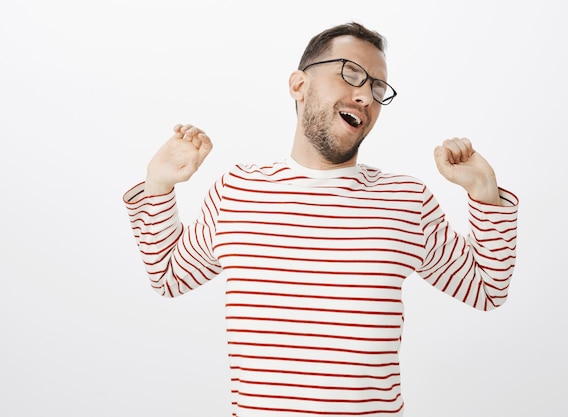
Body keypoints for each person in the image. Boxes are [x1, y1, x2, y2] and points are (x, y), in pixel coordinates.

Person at [124, 22, 518, 417]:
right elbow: (169, 277)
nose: (365, 95)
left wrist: (485, 192)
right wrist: (158, 185)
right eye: (350, 73)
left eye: (378, 88)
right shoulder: (237, 191)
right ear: (298, 85)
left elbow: (486, 289)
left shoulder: (405, 202)